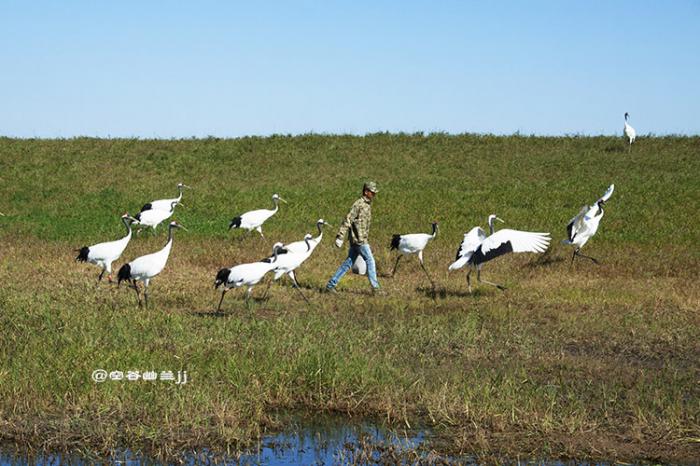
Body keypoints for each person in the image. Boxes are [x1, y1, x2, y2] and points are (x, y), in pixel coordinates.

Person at [325, 181, 382, 294]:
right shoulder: (358, 204)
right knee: (370, 260)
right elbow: (348, 219)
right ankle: (376, 289)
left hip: (360, 239)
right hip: (359, 241)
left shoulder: (367, 205)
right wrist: (340, 237)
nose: (374, 195)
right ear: (366, 192)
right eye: (372, 192)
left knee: (348, 262)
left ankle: (331, 285)